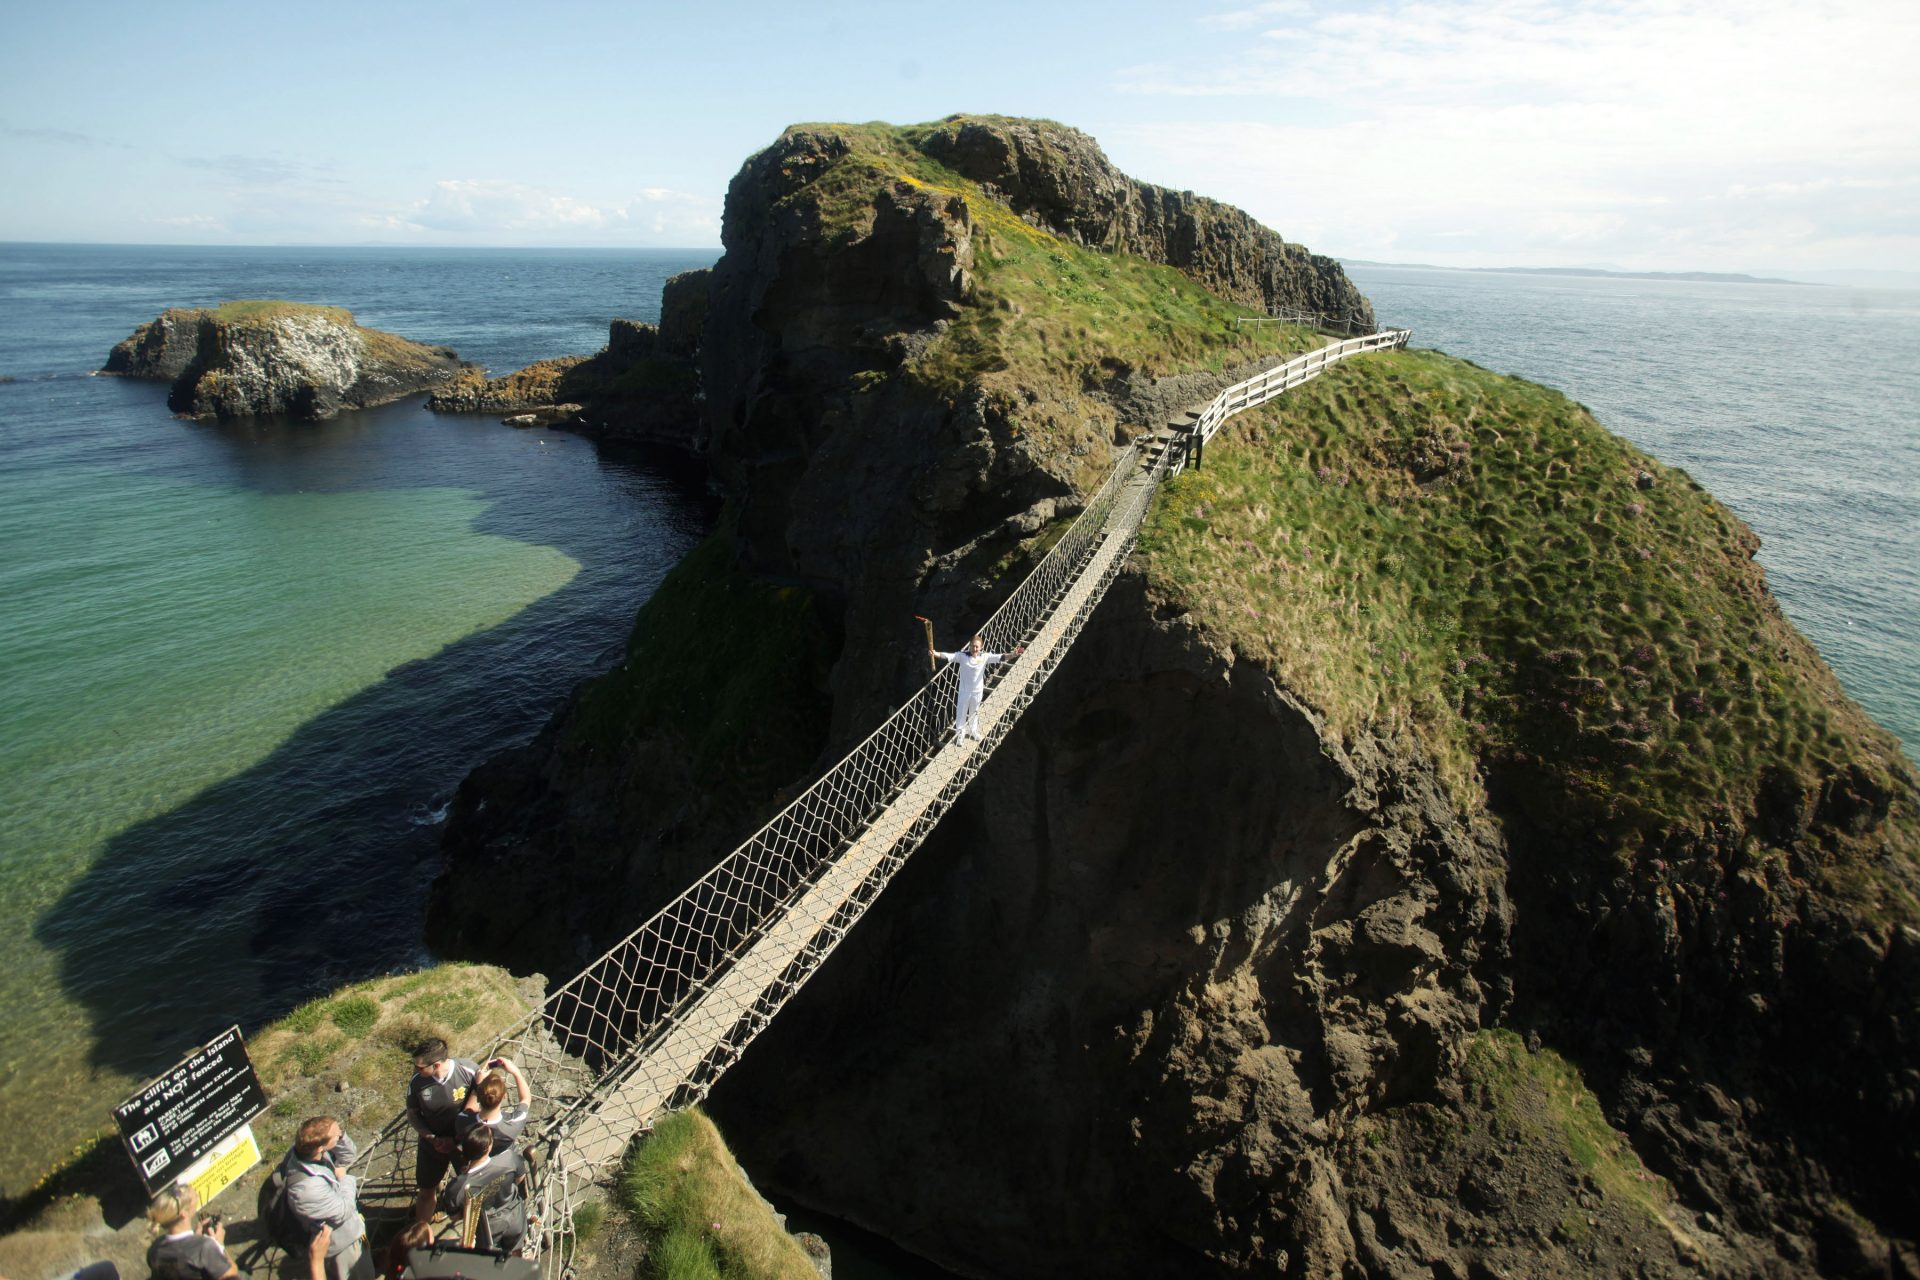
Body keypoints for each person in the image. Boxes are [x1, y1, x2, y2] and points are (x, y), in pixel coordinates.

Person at [281, 1116, 372, 1280]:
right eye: (336, 1135)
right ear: (320, 1149)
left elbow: (348, 1157)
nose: (340, 1134)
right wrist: (345, 1179)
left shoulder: (309, 1152)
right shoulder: (306, 1190)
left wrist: (341, 1137)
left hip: (350, 1230)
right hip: (341, 1246)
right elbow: (345, 1209)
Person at [406, 1038, 479, 1220]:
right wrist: (431, 1138)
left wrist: (456, 1140)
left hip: (464, 1143)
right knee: (426, 1189)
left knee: (471, 1187)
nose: (416, 1070)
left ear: (436, 1065)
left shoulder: (468, 1071)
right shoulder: (416, 1083)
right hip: (432, 1144)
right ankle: (421, 1234)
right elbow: (413, 1115)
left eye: (420, 1067)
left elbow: (482, 1100)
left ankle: (469, 1224)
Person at [436, 1128, 528, 1254]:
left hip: (487, 1229)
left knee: (490, 1257)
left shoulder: (456, 1186)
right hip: (514, 1216)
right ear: (488, 1148)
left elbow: (455, 1216)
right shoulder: (509, 1159)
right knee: (517, 1251)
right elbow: (520, 1177)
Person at [931, 633, 1025, 741]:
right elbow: (948, 656)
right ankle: (960, 734)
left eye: (977, 646)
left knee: (974, 712)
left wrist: (1013, 655)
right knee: (961, 712)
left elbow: (1000, 657)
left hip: (977, 691)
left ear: (981, 647)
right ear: (969, 646)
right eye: (973, 646)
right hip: (964, 691)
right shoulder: (962, 656)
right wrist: (935, 653)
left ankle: (973, 731)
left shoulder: (985, 657)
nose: (974, 648)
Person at [144, 1182, 238, 1280]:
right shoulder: (204, 1248)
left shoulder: (155, 1248)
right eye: (195, 1197)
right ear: (183, 1214)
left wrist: (195, 1237)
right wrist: (220, 1246)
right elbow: (233, 1276)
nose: (197, 1196)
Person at [453, 1056, 531, 1168]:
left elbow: (469, 1110)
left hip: (473, 1167)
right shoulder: (512, 1125)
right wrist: (516, 1072)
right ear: (504, 1096)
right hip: (503, 1165)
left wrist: (477, 1085)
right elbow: (526, 1099)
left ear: (479, 1096)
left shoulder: (462, 1121)